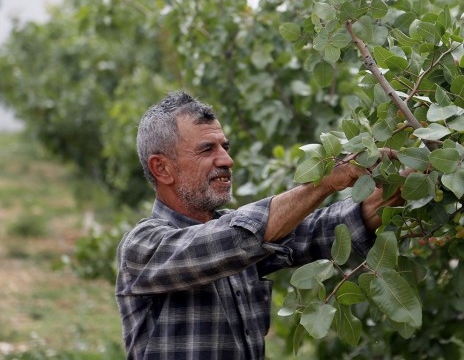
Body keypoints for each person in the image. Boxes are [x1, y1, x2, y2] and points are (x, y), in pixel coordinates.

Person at [115, 91, 402, 359]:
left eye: (225, 147)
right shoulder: (143, 247)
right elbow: (235, 239)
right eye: (206, 149)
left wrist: (399, 188)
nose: (227, 160)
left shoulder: (239, 230)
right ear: (162, 168)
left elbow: (316, 231)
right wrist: (325, 181)